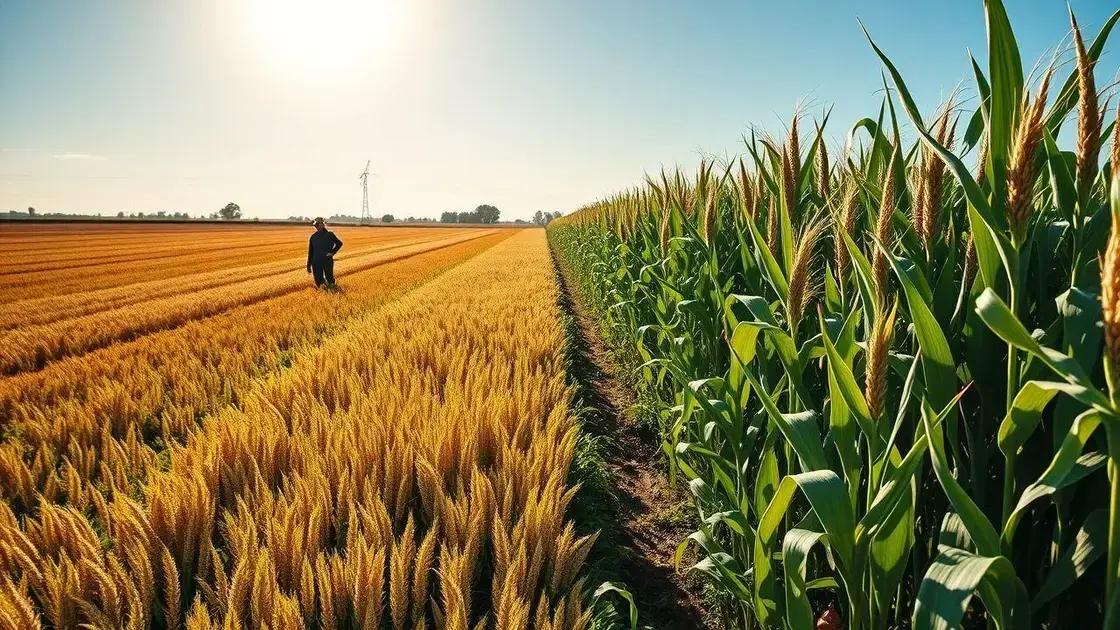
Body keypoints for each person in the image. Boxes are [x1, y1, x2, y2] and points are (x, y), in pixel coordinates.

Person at [307, 217, 343, 288]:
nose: (317, 227)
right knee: (319, 282)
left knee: (330, 279)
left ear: (323, 224)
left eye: (318, 225)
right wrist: (308, 265)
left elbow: (339, 243)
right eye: (316, 225)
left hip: (327, 260)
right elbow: (311, 252)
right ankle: (324, 292)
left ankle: (333, 291)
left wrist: (332, 252)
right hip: (316, 261)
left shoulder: (330, 234)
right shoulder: (313, 237)